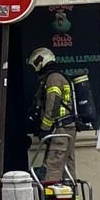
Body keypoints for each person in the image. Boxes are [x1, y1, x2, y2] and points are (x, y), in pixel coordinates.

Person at [30, 46, 78, 184]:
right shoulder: (58, 76)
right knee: (67, 166)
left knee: (53, 167)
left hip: (60, 129)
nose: (35, 68)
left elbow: (53, 103)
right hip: (67, 127)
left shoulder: (53, 78)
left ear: (42, 61)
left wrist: (45, 128)